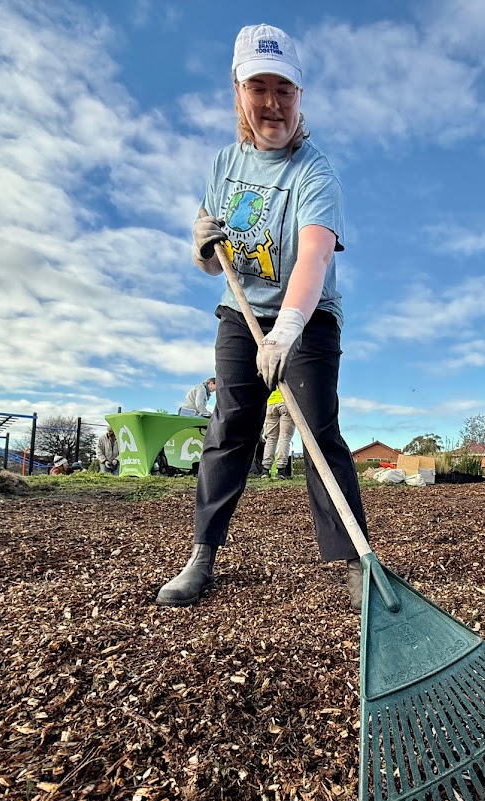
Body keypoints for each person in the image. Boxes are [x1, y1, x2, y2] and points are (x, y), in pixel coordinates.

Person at [157, 24, 368, 614]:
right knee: (230, 427)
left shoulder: (315, 172)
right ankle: (202, 554)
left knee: (318, 431)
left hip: (309, 316)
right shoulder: (224, 165)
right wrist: (201, 247)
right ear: (238, 92)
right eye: (259, 88)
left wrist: (287, 330)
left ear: (300, 96)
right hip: (241, 312)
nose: (272, 103)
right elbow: (215, 262)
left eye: (285, 90)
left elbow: (315, 255)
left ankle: (355, 561)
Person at [261, 387, 295, 479]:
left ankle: (265, 470)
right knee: (285, 438)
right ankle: (281, 470)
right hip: (287, 402)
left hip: (271, 403)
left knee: (271, 439)